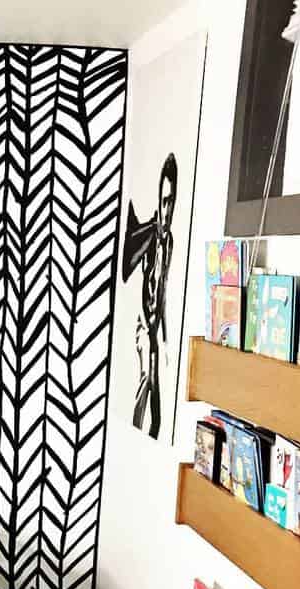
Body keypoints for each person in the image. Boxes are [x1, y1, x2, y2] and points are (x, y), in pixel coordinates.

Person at [123, 153, 177, 439]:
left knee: (155, 396)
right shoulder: (152, 237)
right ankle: (133, 438)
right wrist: (150, 329)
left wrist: (166, 340)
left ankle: (146, 441)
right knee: (146, 383)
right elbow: (147, 286)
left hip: (155, 330)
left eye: (172, 202)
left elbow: (164, 293)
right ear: (159, 200)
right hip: (145, 329)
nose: (167, 210)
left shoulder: (169, 242)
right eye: (164, 201)